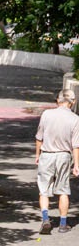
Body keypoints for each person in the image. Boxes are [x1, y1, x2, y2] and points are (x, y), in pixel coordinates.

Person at [35, 89, 79, 234]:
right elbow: (76, 145)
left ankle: (45, 219)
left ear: (58, 101)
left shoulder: (47, 114)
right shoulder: (75, 119)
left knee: (44, 190)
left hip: (47, 154)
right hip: (64, 156)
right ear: (73, 102)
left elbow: (39, 137)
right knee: (63, 190)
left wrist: (37, 154)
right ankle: (63, 224)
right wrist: (77, 165)